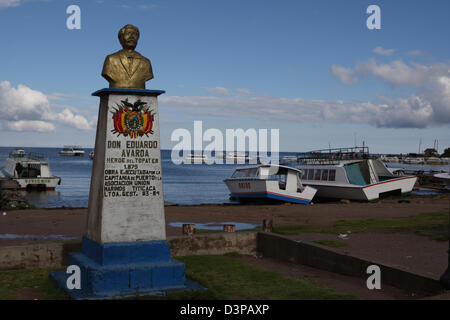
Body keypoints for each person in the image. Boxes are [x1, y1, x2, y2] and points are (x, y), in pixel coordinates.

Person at [101, 24, 153, 89]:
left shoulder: (146, 62)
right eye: (128, 33)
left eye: (135, 34)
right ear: (121, 38)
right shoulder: (111, 59)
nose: (132, 37)